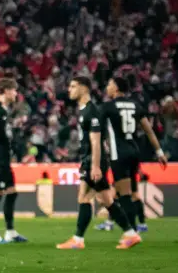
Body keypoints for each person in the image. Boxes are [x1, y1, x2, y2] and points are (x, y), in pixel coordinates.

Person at [56, 76, 141, 250]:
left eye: (73, 86)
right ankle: (131, 233)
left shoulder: (91, 111)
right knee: (106, 200)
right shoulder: (84, 110)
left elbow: (96, 141)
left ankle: (78, 239)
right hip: (90, 160)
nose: (69, 90)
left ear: (84, 88)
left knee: (85, 197)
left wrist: (95, 166)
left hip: (94, 161)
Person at [95, 76, 167, 233]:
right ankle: (135, 227)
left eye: (109, 84)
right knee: (132, 192)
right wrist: (159, 152)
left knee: (124, 195)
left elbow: (97, 132)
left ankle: (131, 232)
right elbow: (149, 130)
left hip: (118, 153)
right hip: (134, 152)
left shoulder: (107, 107)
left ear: (116, 88)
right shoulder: (135, 105)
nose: (107, 87)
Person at [0, 76, 27, 244]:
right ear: (6, 91)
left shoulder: (3, 112)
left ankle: (10, 231)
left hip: (3, 157)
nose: (16, 93)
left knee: (11, 192)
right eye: (14, 90)